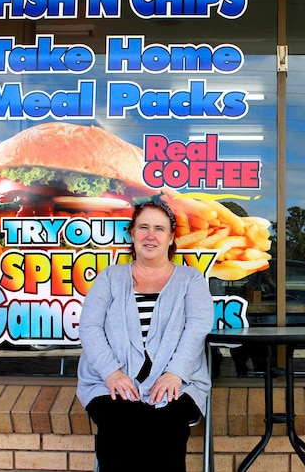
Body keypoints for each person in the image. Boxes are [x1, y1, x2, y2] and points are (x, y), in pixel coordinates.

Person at [76, 200, 214, 472]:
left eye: (159, 229)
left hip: (179, 383)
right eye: (143, 227)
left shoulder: (191, 279)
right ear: (132, 233)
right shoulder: (110, 277)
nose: (150, 235)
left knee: (165, 425)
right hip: (110, 382)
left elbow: (198, 326)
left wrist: (175, 373)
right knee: (119, 421)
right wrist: (111, 373)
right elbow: (90, 326)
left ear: (171, 237)